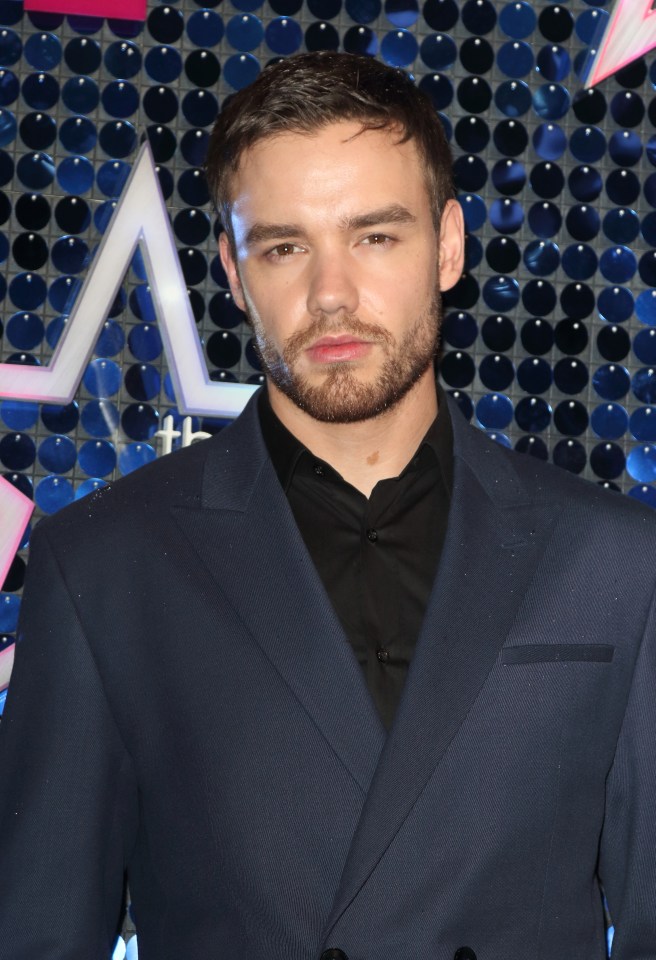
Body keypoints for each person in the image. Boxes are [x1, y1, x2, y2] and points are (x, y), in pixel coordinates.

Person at [1, 51, 655, 960]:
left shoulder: (619, 564)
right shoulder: (101, 571)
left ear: (451, 245)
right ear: (232, 272)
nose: (332, 294)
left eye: (376, 236)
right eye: (285, 246)